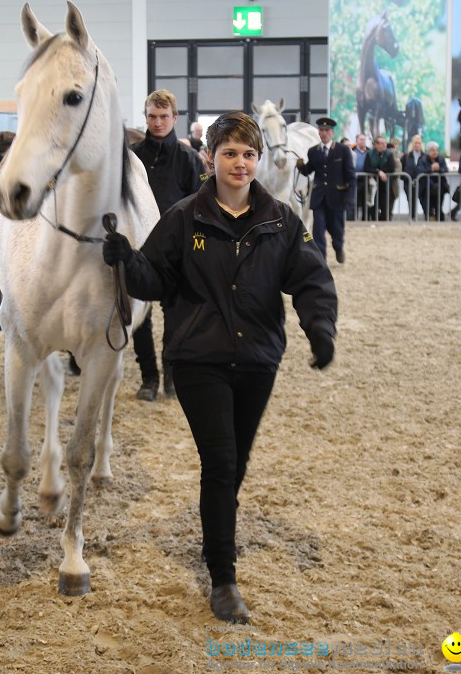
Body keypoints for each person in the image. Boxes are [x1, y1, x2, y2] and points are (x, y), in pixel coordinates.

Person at [101, 111, 338, 623]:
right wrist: (126, 259)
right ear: (211, 157)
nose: (240, 162)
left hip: (257, 359)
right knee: (222, 462)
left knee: (237, 464)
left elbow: (311, 277)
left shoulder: (280, 219)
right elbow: (156, 278)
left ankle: (217, 532)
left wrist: (320, 327)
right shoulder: (185, 217)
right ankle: (223, 577)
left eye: (249, 154)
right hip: (198, 358)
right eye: (229, 152)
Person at [129, 89, 206, 402]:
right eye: (152, 116)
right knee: (140, 319)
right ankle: (149, 378)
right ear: (146, 117)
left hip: (176, 250)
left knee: (176, 316)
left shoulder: (189, 159)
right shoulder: (131, 157)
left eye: (163, 117)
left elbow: (201, 205)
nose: (158, 122)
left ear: (175, 118)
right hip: (139, 249)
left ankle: (172, 375)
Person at [295, 117, 355, 264]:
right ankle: (321, 260)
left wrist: (350, 196)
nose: (324, 133)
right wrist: (301, 167)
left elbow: (350, 175)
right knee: (318, 230)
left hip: (338, 197)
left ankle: (338, 247)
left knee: (337, 231)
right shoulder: (313, 151)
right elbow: (309, 170)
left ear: (332, 132)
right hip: (319, 197)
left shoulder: (343, 150)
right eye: (321, 130)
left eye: (327, 130)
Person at [363, 134, 395, 221]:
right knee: (372, 205)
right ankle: (373, 221)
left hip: (385, 185)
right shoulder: (370, 154)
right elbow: (366, 167)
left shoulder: (389, 154)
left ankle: (384, 223)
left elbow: (391, 168)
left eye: (385, 143)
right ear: (376, 145)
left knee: (385, 205)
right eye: (382, 143)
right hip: (372, 185)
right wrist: (378, 172)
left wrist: (377, 171)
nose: (384, 145)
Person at [417, 141, 450, 221]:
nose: (435, 152)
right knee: (427, 210)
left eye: (436, 150)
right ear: (428, 151)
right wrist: (431, 169)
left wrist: (439, 169)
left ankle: (441, 225)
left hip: (439, 188)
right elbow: (420, 170)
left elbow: (445, 170)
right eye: (432, 150)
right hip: (426, 189)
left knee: (438, 208)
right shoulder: (422, 159)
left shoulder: (441, 159)